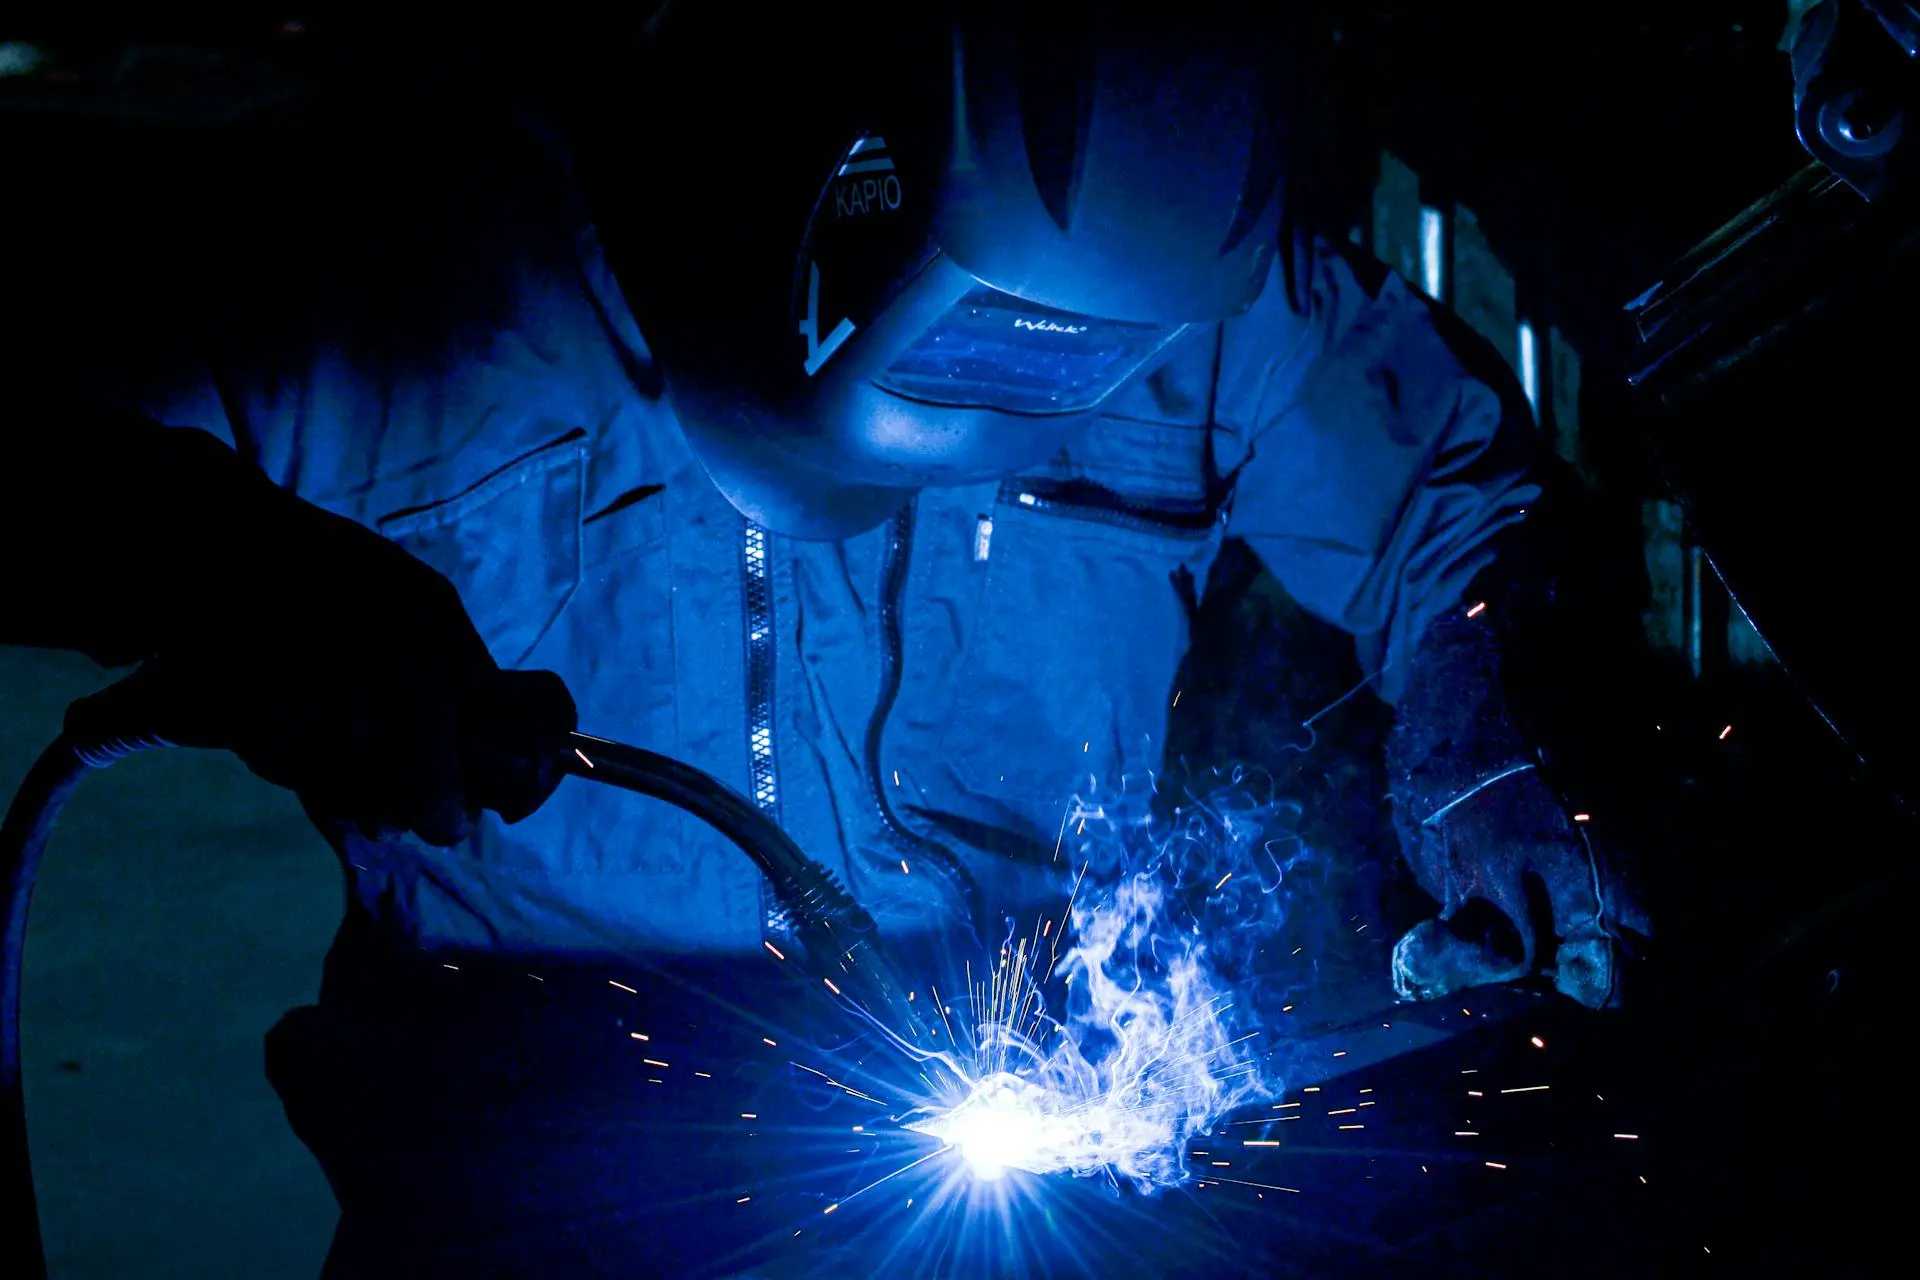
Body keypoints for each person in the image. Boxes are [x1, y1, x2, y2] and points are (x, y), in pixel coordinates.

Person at [5, 5, 1649, 1274]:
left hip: (1022, 1138)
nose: (1039, 396)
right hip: (524, 1158)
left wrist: (1488, 736)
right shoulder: (388, 268)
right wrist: (235, 566)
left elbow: (1457, 510)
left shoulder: (1181, 248)